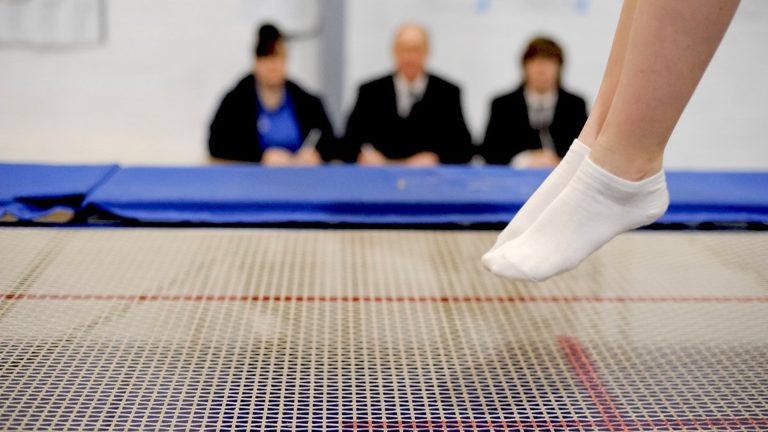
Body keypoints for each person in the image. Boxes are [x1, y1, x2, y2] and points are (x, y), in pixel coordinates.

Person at [482, 0, 740, 281]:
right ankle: (594, 155)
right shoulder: (504, 104)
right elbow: (489, 150)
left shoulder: (572, 103)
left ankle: (630, 167)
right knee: (597, 128)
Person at [342, 23, 474, 166]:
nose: (410, 57)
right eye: (403, 49)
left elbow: (464, 149)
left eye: (416, 49)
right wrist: (363, 156)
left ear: (427, 52)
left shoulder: (447, 93)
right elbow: (346, 146)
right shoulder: (370, 92)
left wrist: (436, 158)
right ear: (394, 51)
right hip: (378, 176)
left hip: (430, 177)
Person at [208, 24, 338, 166]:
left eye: (278, 58)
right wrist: (261, 157)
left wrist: (316, 155)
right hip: (252, 178)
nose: (273, 66)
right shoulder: (235, 103)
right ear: (256, 62)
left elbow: (332, 144)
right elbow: (216, 145)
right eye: (267, 58)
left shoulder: (308, 103)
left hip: (302, 176)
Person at [481, 37, 588, 168]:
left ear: (560, 67)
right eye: (535, 62)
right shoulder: (503, 105)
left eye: (549, 62)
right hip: (514, 177)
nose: (541, 70)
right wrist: (525, 160)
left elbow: (585, 151)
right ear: (524, 66)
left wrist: (559, 162)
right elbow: (489, 153)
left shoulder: (575, 105)